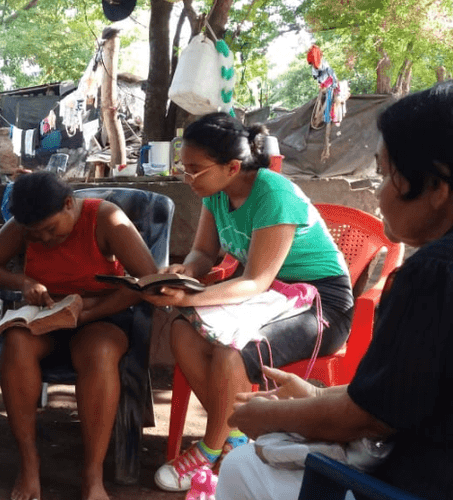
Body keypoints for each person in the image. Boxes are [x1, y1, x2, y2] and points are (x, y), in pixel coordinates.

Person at [217, 81, 453, 500]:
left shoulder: (433, 275)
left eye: (385, 175)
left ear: (437, 188)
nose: (378, 195)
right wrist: (317, 396)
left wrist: (278, 415)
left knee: (242, 464)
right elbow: (408, 390)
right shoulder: (214, 201)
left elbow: (370, 418)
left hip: (412, 484)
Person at [147, 113, 355, 492]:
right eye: (184, 168)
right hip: (267, 298)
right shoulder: (216, 194)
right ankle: (236, 438)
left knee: (234, 352)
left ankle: (210, 448)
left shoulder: (274, 195)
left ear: (231, 166)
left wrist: (193, 295)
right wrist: (182, 275)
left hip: (319, 305)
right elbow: (202, 254)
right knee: (181, 327)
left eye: (194, 170)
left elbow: (256, 280)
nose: (187, 178)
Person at [0, 171, 158, 500]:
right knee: (15, 343)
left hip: (101, 314)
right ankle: (29, 465)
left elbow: (147, 281)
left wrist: (85, 312)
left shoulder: (106, 218)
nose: (43, 239)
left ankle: (92, 474)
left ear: (69, 204)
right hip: (46, 315)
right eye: (35, 234)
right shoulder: (25, 224)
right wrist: (23, 282)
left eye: (50, 229)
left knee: (99, 354)